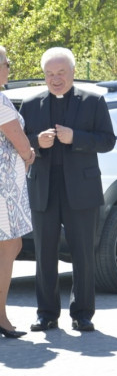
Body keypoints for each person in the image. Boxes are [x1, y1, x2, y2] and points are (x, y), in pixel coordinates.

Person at [22, 47, 115, 333]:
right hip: (44, 188)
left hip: (81, 189)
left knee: (83, 254)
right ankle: (46, 314)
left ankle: (83, 313)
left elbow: (107, 140)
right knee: (44, 254)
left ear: (73, 72)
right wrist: (36, 142)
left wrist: (76, 137)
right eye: (50, 74)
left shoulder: (93, 101)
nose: (56, 79)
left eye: (61, 73)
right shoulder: (31, 103)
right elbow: (19, 142)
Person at [0, 46, 34, 338]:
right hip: (5, 189)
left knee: (10, 246)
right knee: (9, 246)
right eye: (7, 63)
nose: (9, 67)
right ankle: (0, 317)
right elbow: (20, 142)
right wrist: (29, 154)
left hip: (7, 186)